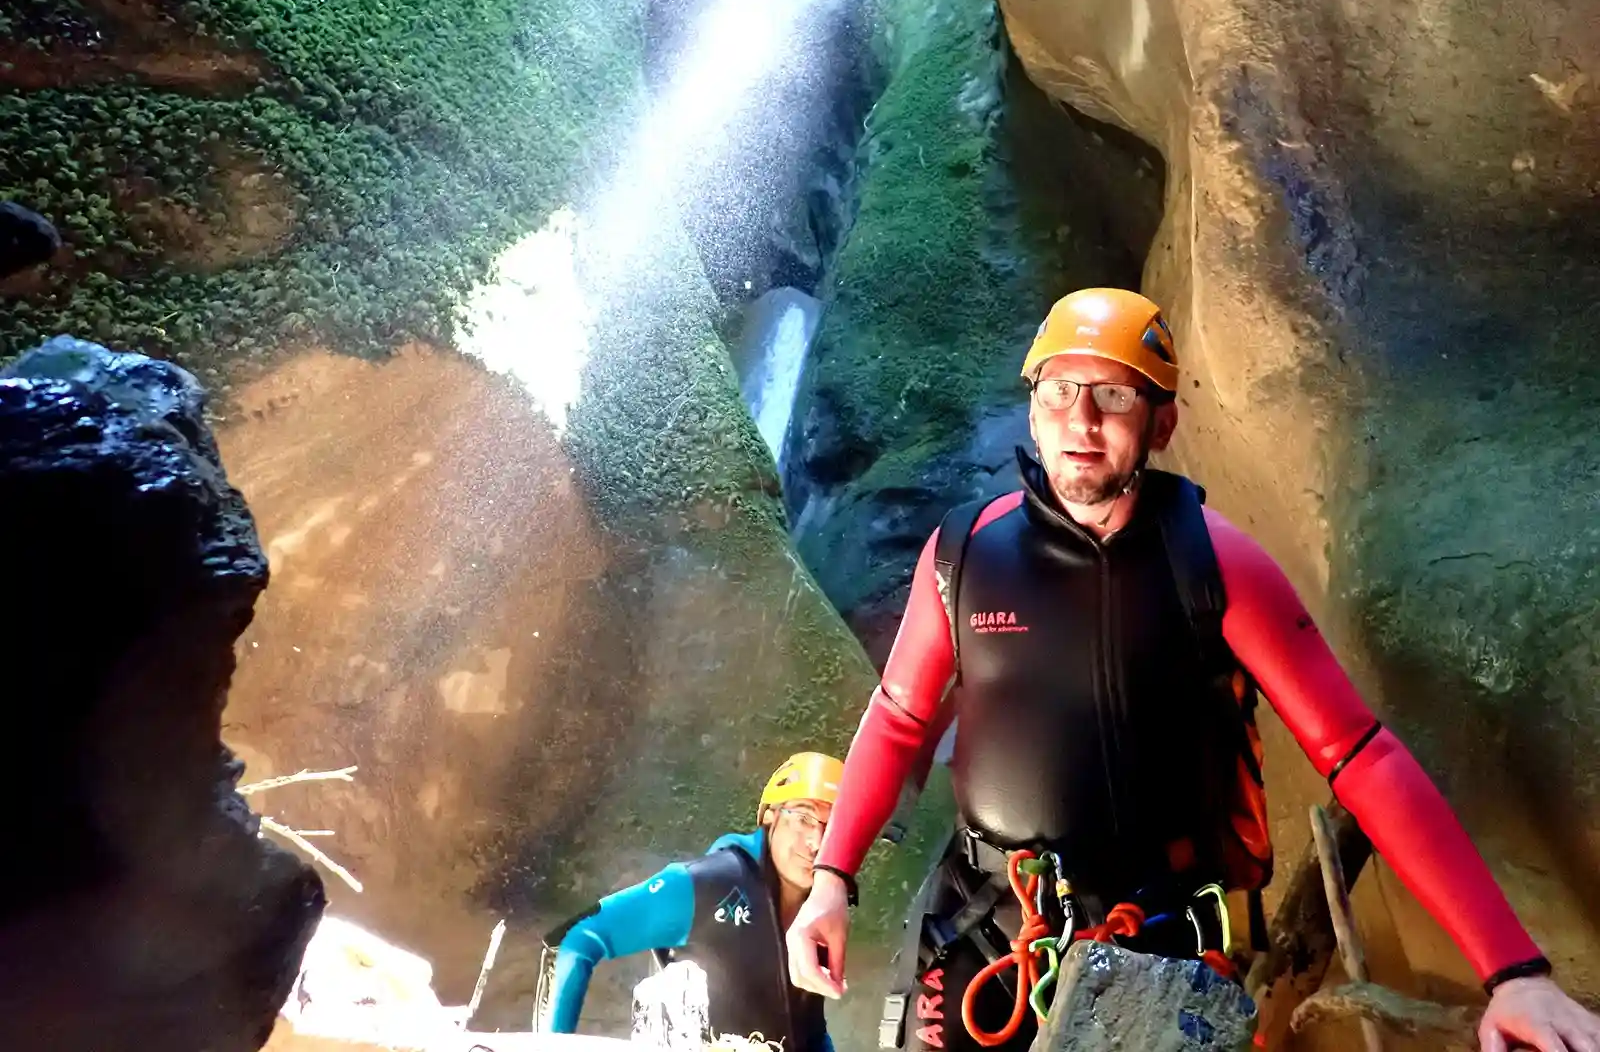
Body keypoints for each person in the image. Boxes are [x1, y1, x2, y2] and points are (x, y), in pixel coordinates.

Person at [785, 288, 1600, 1052]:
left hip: (1157, 938)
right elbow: (897, 719)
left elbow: (1361, 754)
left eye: (1114, 397)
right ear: (1033, 411)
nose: (1082, 422)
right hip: (983, 931)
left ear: (1162, 421)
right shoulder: (961, 556)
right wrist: (831, 881)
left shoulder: (1214, 564)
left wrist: (1512, 970)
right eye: (1060, 392)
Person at [536, 751, 844, 1051]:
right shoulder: (709, 883)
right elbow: (578, 939)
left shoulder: (819, 912)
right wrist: (553, 1046)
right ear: (769, 816)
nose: (817, 842)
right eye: (803, 818)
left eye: (832, 829)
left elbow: (809, 1033)